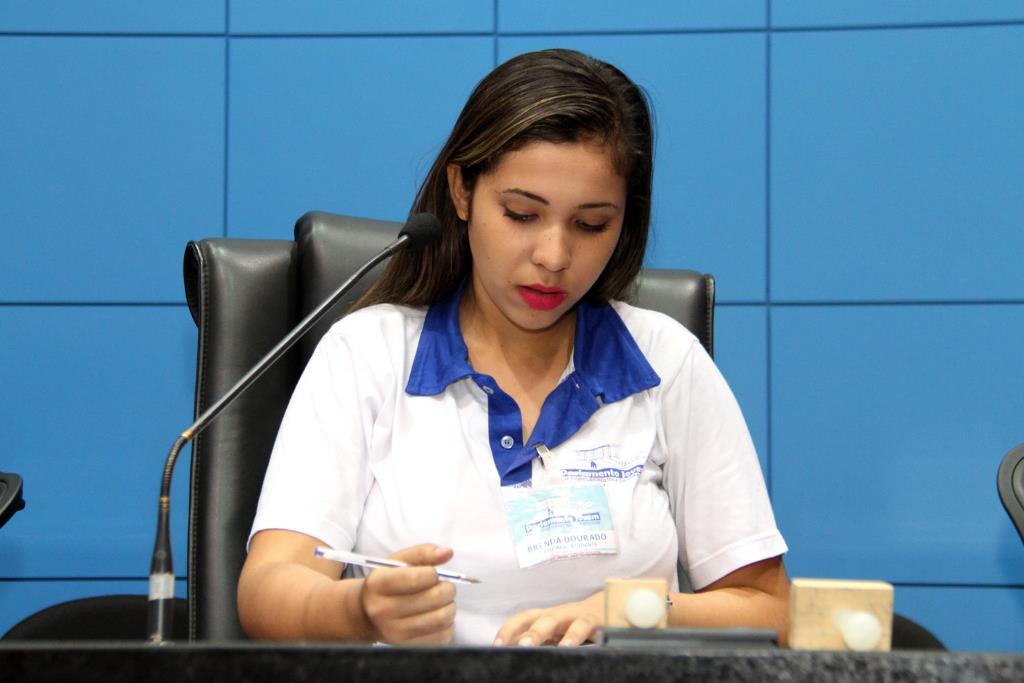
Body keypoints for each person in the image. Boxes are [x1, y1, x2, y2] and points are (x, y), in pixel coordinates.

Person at [237, 48, 789, 647]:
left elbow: (771, 610)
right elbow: (268, 588)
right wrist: (359, 609)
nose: (553, 257)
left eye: (591, 224)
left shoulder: (667, 362)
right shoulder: (367, 353)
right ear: (462, 191)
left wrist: (632, 610)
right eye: (522, 214)